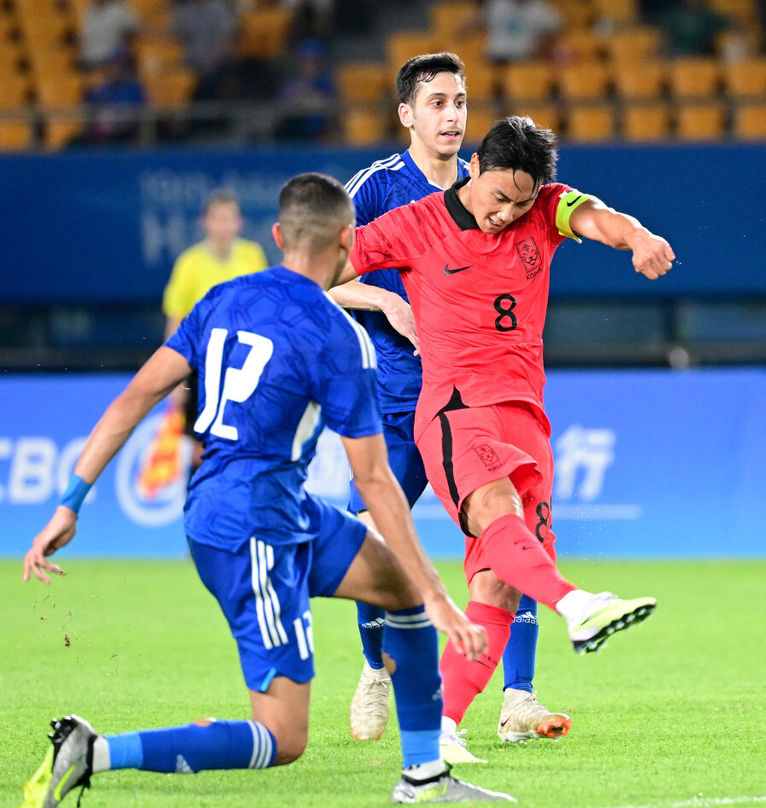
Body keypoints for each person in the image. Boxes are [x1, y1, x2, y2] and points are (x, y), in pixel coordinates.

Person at [19, 173, 512, 807]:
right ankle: (94, 750)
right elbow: (374, 481)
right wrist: (446, 598)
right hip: (250, 528)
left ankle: (423, 777)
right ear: (348, 240)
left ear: (277, 236)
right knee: (283, 736)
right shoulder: (339, 337)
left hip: (268, 505)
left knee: (398, 586)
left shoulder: (222, 300)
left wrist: (70, 502)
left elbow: (136, 395)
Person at [341, 116, 673, 761]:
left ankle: (436, 732)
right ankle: (578, 604)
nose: (506, 213)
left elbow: (598, 216)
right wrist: (379, 303)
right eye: (498, 197)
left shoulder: (545, 210)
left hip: (526, 416)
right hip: (455, 407)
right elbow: (318, 261)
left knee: (497, 586)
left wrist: (639, 237)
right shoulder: (413, 223)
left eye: (520, 201)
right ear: (472, 169)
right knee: (493, 509)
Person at [329, 52, 569, 762]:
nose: (452, 115)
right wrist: (382, 298)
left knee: (510, 534)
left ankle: (518, 697)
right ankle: (377, 670)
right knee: (373, 537)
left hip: (475, 400)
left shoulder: (487, 185)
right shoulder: (376, 189)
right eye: (437, 102)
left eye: (460, 101)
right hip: (396, 398)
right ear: (407, 114)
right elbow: (316, 271)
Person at [159, 188, 266, 481]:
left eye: (229, 218)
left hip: (244, 368)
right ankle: (197, 519)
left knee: (245, 447)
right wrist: (176, 380)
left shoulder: (252, 256)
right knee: (199, 451)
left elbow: (263, 313)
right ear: (204, 223)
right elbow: (175, 322)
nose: (223, 225)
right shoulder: (189, 264)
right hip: (201, 371)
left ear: (239, 223)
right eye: (217, 219)